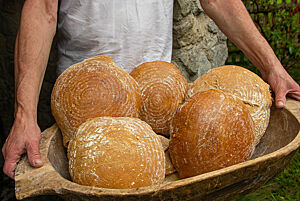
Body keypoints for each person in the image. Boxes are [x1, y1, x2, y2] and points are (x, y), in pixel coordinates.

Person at [2, 0, 300, 180]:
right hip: (88, 108)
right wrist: (24, 115)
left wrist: (272, 67)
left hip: (160, 101)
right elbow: (41, 10)